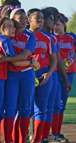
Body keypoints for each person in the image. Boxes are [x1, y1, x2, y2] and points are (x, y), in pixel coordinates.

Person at [0, 8, 39, 143]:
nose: (25, 21)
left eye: (26, 18)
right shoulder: (7, 35)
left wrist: (3, 59)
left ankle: (21, 141)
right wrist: (31, 62)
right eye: (21, 19)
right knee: (9, 110)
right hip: (11, 75)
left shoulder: (29, 35)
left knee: (25, 110)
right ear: (13, 21)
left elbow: (24, 55)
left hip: (27, 75)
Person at [40, 8, 71, 143]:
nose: (53, 22)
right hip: (35, 73)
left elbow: (57, 60)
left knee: (53, 105)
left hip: (53, 73)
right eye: (52, 19)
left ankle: (47, 135)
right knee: (30, 107)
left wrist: (66, 78)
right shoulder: (31, 35)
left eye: (56, 21)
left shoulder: (53, 38)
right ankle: (33, 134)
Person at [27, 8, 57, 142]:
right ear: (29, 20)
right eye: (37, 18)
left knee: (41, 108)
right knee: (24, 109)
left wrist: (49, 74)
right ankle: (22, 138)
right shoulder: (23, 36)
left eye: (42, 18)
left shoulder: (47, 38)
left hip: (44, 74)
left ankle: (38, 139)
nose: (41, 20)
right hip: (27, 75)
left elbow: (54, 59)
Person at [52, 13, 76, 142]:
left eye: (58, 24)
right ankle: (53, 133)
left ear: (64, 24)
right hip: (55, 73)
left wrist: (72, 60)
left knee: (62, 105)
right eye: (54, 24)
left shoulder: (72, 37)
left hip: (69, 73)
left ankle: (57, 132)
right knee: (55, 104)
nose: (55, 27)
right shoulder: (52, 38)